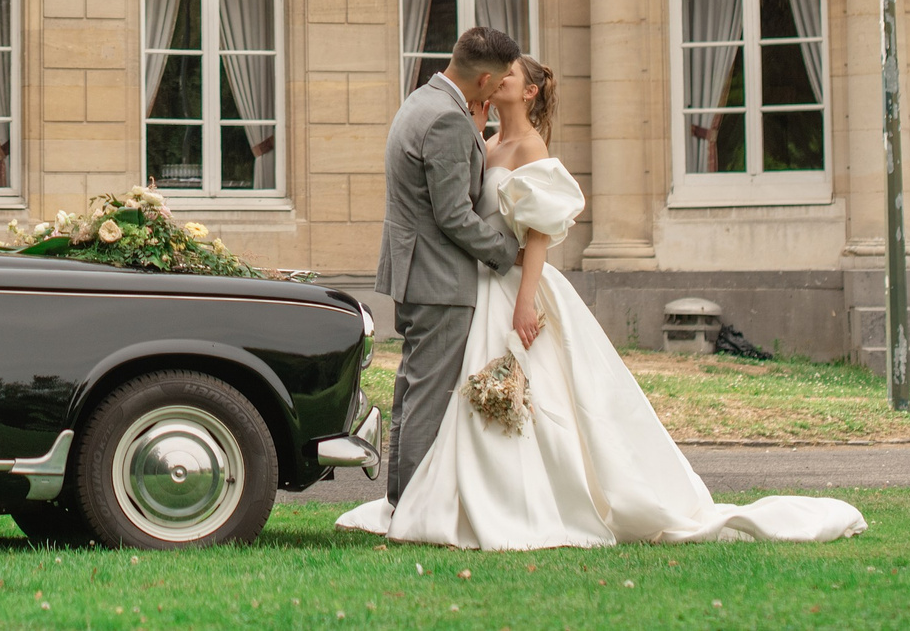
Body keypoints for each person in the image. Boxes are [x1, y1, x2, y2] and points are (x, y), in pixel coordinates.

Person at [340, 54, 867, 548]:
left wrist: (526, 301)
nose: (498, 78)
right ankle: (435, 500)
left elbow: (539, 234)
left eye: (511, 74)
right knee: (452, 392)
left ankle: (522, 503)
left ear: (528, 91)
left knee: (537, 398)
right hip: (478, 284)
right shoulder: (486, 138)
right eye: (496, 73)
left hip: (515, 284)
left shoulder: (531, 150)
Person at [372, 26, 526, 504]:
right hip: (438, 277)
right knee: (429, 397)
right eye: (497, 81)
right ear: (483, 80)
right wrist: (507, 252)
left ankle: (401, 501)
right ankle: (415, 508)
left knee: (412, 392)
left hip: (415, 271)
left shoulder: (421, 99)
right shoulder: (448, 120)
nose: (499, 88)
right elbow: (454, 215)